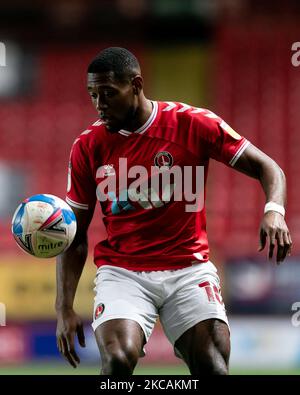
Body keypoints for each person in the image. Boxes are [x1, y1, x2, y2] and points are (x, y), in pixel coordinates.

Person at [55, 47, 292, 375]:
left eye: (108, 93)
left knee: (213, 366)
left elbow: (270, 168)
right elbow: (74, 233)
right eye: (93, 95)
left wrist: (274, 210)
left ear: (136, 85)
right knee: (118, 360)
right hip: (124, 273)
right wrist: (63, 307)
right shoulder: (88, 146)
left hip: (188, 269)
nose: (99, 104)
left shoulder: (193, 124)